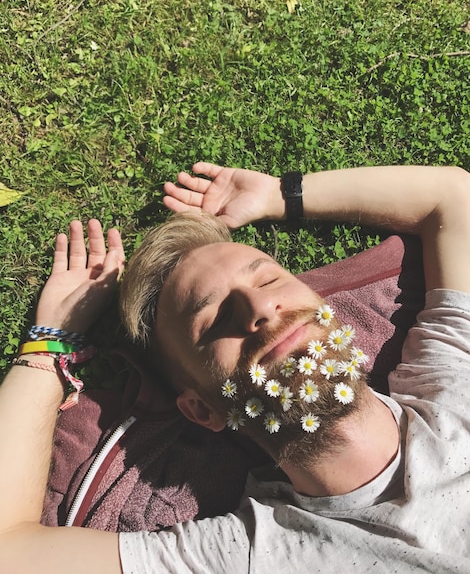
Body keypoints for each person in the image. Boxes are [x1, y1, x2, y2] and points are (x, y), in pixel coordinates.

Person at [0, 162, 470, 573]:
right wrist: (49, 341)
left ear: (328, 311)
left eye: (269, 278)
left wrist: (278, 195)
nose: (261, 307)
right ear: (204, 410)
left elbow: (453, 196)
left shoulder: (451, 379)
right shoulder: (251, 552)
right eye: (215, 321)